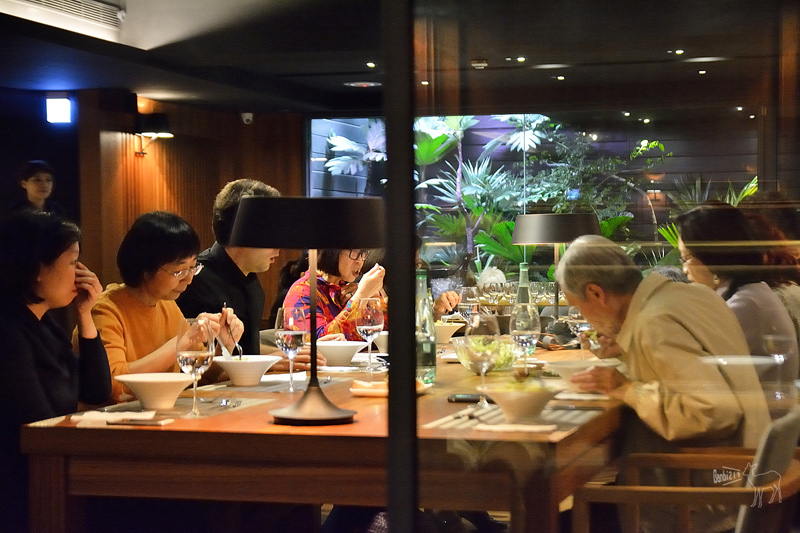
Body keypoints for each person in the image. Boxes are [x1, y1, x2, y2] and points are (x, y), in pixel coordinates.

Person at [555, 234, 769, 533]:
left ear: (596, 293)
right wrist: (627, 356)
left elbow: (711, 411)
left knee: (557, 515)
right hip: (747, 473)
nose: (585, 319)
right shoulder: (692, 294)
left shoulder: (655, 321)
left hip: (705, 499)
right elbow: (689, 376)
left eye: (579, 309)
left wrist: (625, 388)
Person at [0, 211, 111, 532]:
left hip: (48, 466)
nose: (80, 273)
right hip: (22, 483)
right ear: (36, 269)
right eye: (71, 261)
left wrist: (86, 315)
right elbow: (39, 426)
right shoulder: (8, 331)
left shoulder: (43, 323)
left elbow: (96, 392)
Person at [86, 211, 243, 402]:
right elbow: (114, 385)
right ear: (145, 268)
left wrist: (223, 345)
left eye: (193, 267)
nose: (189, 278)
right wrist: (182, 343)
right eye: (179, 271)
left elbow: (199, 378)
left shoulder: (168, 306)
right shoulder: (106, 310)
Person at [177, 180, 328, 370]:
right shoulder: (193, 281)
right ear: (242, 231)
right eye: (271, 235)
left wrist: (286, 353)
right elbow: (193, 365)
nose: (278, 247)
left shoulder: (252, 282)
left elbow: (245, 350)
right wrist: (270, 362)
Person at [674, 202, 799, 380]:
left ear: (711, 257)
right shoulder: (751, 292)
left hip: (761, 406)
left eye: (686, 258)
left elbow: (701, 370)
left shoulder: (744, 305)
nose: (685, 269)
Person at [283, 248, 387, 340]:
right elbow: (320, 344)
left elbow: (382, 337)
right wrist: (361, 296)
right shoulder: (301, 292)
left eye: (363, 254)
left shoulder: (349, 289)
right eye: (354, 252)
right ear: (331, 252)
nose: (360, 262)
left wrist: (374, 298)